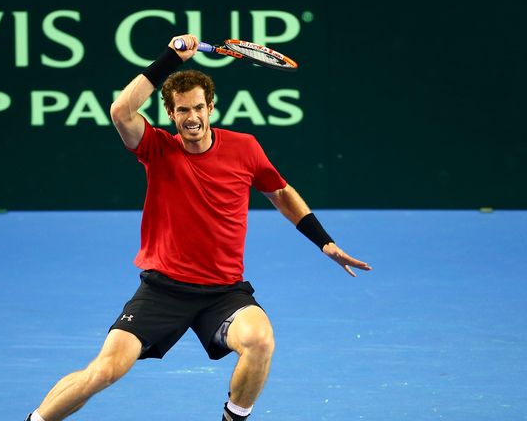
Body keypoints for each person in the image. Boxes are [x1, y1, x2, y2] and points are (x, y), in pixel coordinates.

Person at [26, 34, 372, 421]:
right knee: (105, 370)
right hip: (163, 290)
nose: (191, 117)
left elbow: (281, 193)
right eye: (181, 110)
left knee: (260, 339)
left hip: (223, 293)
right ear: (171, 115)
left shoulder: (245, 148)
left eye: (198, 108)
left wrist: (323, 242)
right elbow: (121, 109)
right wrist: (169, 59)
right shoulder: (157, 149)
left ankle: (232, 418)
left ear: (211, 108)